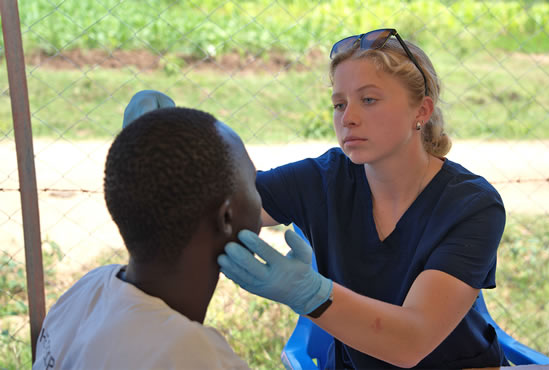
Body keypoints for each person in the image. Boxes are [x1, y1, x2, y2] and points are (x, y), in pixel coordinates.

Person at [128, 28, 507, 369]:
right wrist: (160, 147)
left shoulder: (472, 205)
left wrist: (310, 294)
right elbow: (221, 204)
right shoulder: (325, 178)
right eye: (339, 104)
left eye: (369, 100)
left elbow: (412, 342)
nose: (349, 118)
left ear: (421, 111)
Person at [33, 105, 259, 369]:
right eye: (254, 183)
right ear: (226, 218)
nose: (260, 193)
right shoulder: (191, 355)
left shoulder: (89, 289)